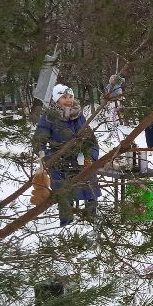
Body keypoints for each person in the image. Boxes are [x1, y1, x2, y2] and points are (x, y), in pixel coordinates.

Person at [33, 84, 100, 227]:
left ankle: (91, 217)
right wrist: (49, 158)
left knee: (90, 180)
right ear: (57, 99)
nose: (68, 100)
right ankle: (66, 221)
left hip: (80, 158)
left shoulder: (79, 116)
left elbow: (92, 140)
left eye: (70, 96)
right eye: (64, 97)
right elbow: (39, 140)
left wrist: (92, 157)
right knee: (63, 190)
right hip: (59, 159)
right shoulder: (49, 117)